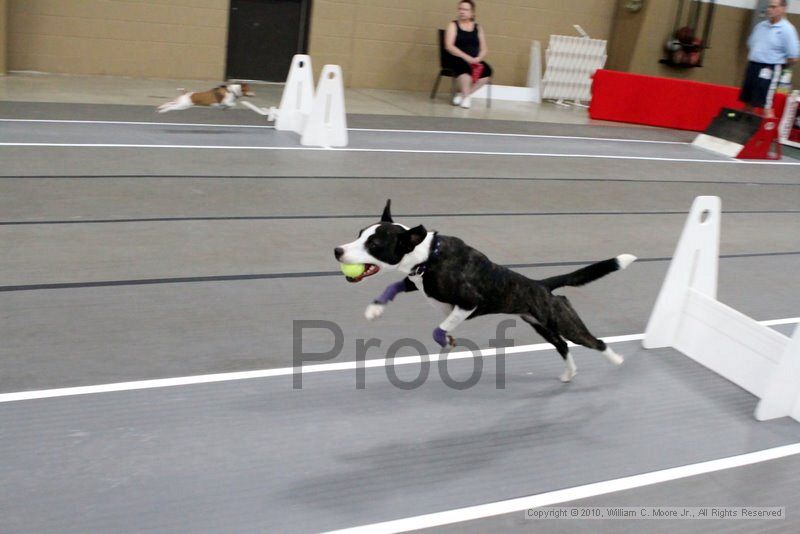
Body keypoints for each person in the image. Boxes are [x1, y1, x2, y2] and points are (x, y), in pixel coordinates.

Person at [739, 0, 799, 116]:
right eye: (768, 7)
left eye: (773, 7)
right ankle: (746, 131)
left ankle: (768, 131)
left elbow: (793, 57)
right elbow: (751, 44)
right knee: (748, 102)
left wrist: (777, 63)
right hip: (753, 66)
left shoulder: (787, 30)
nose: (769, 9)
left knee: (765, 104)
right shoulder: (760, 26)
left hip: (769, 68)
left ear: (783, 9)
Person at [444, 0, 492, 109]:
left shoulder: (478, 28)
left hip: (474, 59)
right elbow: (449, 46)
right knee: (464, 67)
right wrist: (467, 58)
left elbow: (484, 48)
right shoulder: (453, 25)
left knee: (487, 71)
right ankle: (466, 99)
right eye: (460, 9)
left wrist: (478, 58)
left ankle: (464, 96)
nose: (462, 12)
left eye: (465, 9)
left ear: (472, 13)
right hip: (457, 57)